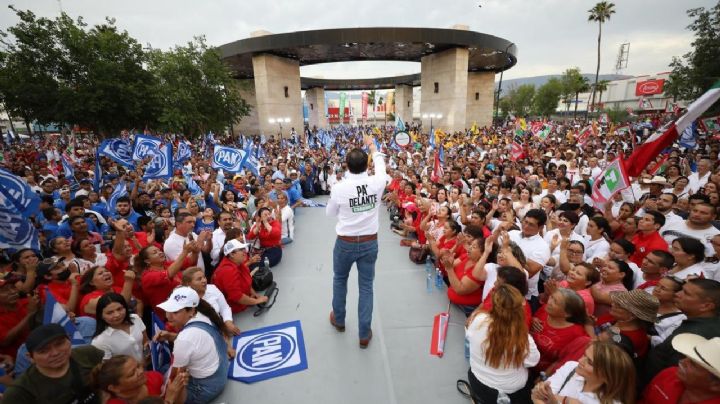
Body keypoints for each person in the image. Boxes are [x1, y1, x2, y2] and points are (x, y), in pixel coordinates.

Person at [326, 134, 388, 348]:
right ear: (367, 165)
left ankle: (340, 320)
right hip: (370, 243)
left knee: (340, 279)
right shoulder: (377, 182)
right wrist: (372, 145)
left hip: (345, 243)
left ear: (346, 165)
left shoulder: (339, 187)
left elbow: (329, 213)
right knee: (366, 287)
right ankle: (364, 333)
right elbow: (381, 164)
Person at [464, 284, 540, 403]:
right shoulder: (523, 337)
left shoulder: (478, 319)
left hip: (477, 381)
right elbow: (533, 361)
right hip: (510, 393)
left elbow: (469, 336)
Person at [154, 287, 230, 404]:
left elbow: (175, 376)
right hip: (221, 368)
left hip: (208, 387)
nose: (168, 316)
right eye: (168, 309)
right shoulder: (203, 314)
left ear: (191, 311)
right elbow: (195, 343)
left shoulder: (184, 339)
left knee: (160, 380)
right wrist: (171, 336)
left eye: (175, 312)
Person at [643, 279, 720, 387]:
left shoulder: (693, 335)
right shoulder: (704, 324)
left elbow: (678, 376)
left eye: (686, 293)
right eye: (681, 290)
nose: (677, 294)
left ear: (706, 306)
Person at [2, 324, 105, 403]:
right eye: (44, 351)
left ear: (69, 340)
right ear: (30, 357)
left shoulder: (89, 354)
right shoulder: (20, 392)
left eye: (59, 344)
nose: (55, 353)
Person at [531, 341, 636, 404]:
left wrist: (555, 400)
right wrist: (566, 401)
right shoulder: (571, 367)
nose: (580, 361)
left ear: (607, 376)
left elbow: (540, 398)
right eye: (584, 355)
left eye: (590, 362)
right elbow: (539, 394)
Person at [642, 333, 720, 404]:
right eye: (687, 358)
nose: (682, 361)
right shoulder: (669, 373)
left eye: (693, 364)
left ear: (716, 385)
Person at [530, 288, 591, 372]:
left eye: (555, 302)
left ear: (567, 314)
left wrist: (544, 376)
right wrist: (532, 320)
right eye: (552, 297)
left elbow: (564, 361)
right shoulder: (545, 310)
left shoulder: (577, 334)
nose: (549, 302)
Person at [90, 354, 188, 404]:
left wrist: (180, 385)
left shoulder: (154, 377)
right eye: (132, 373)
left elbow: (179, 402)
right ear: (114, 388)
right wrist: (168, 400)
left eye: (138, 366)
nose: (141, 371)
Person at [212, 239, 266, 313]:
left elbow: (247, 282)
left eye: (244, 249)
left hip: (244, 303)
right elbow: (237, 297)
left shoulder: (238, 263)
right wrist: (256, 301)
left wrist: (255, 294)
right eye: (241, 250)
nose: (245, 252)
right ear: (232, 254)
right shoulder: (227, 271)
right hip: (234, 310)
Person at [91, 292, 148, 362]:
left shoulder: (135, 318)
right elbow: (107, 368)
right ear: (101, 316)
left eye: (119, 309)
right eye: (110, 313)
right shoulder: (99, 341)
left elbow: (146, 341)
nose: (117, 315)